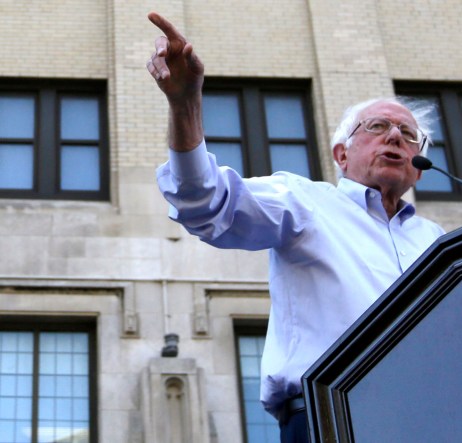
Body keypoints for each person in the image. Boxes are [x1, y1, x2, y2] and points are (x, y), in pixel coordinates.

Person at [146, 12, 445, 443]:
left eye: (408, 134)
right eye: (378, 127)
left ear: (419, 169)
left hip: (434, 421)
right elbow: (205, 201)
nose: (396, 137)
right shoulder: (304, 202)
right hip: (333, 418)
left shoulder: (436, 243)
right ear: (342, 155)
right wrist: (185, 103)